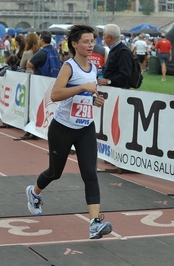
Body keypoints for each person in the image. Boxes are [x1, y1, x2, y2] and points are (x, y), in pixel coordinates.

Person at [25, 24, 112, 240]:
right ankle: (34, 193)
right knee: (55, 172)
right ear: (74, 44)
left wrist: (96, 99)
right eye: (86, 41)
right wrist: (82, 88)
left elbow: (89, 94)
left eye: (92, 41)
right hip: (63, 128)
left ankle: (94, 224)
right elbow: (55, 95)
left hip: (85, 127)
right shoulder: (68, 67)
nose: (91, 45)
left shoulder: (93, 67)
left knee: (90, 174)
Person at [98, 24, 133, 89]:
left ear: (109, 37)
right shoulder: (114, 49)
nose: (102, 37)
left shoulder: (123, 52)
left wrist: (108, 81)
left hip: (119, 92)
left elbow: (125, 75)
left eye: (103, 35)